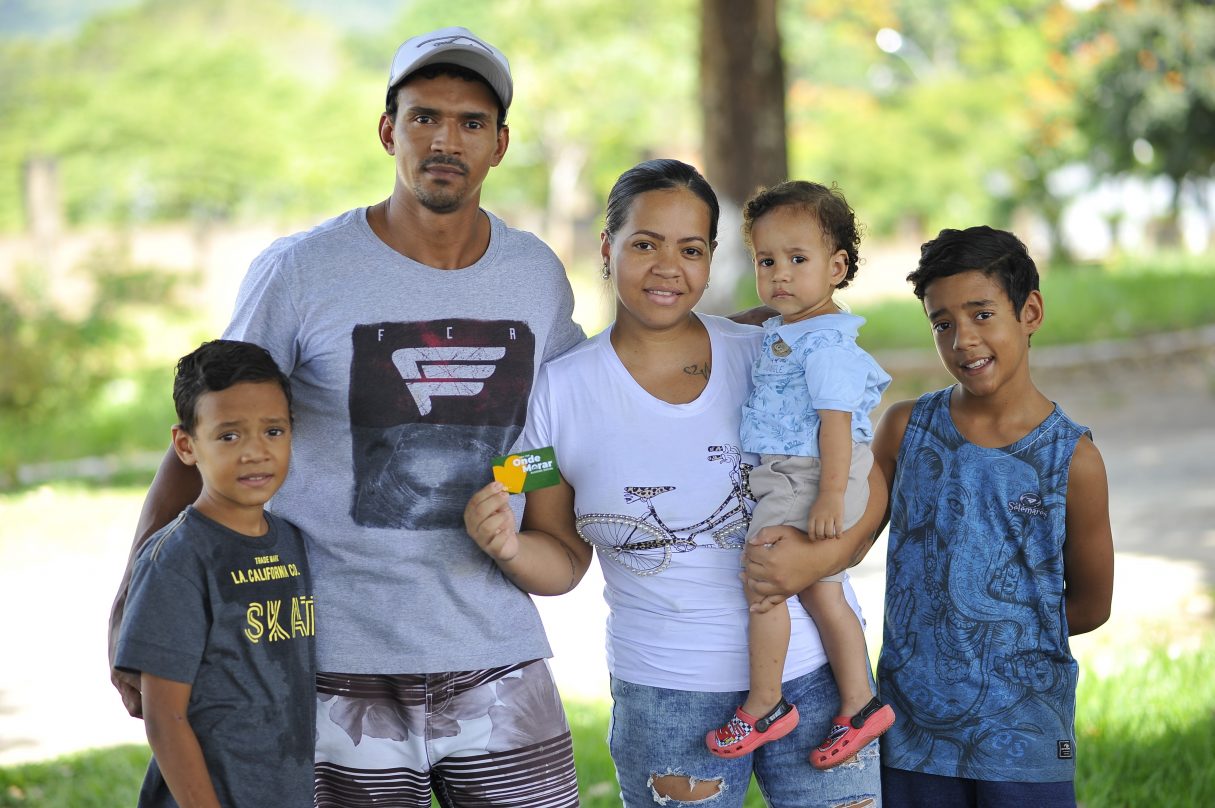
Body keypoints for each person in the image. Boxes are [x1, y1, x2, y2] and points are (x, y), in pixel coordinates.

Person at [108, 27, 585, 807]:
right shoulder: (303, 271)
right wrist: (136, 594)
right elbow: (208, 434)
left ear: (499, 145)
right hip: (329, 656)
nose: (445, 139)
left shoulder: (533, 274)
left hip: (495, 648)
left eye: (470, 123)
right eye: (424, 116)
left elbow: (557, 428)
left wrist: (532, 514)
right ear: (388, 130)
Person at [464, 159, 884, 807]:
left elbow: (866, 479)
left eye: (689, 249)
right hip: (668, 698)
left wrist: (821, 557)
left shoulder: (766, 355)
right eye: (643, 244)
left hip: (818, 678)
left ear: (711, 260)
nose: (667, 266)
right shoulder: (554, 395)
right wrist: (507, 545)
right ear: (606, 249)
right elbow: (560, 557)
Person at [870, 226, 1114, 806]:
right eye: (942, 323)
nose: (963, 339)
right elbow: (848, 543)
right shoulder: (906, 430)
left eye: (982, 314)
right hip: (909, 734)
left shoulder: (1072, 460)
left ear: (1030, 311)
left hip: (1025, 739)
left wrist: (996, 641)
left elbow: (1091, 605)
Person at [706, 181, 895, 768]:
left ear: (836, 267)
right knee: (822, 588)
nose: (780, 275)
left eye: (797, 260)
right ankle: (862, 704)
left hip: (810, 473)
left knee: (765, 578)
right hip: (800, 469)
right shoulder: (792, 329)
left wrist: (830, 497)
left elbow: (838, 426)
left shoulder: (826, 346)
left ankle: (765, 704)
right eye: (767, 261)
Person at [114, 339, 315, 808]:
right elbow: (165, 718)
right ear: (186, 445)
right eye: (229, 436)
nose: (255, 453)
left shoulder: (293, 541)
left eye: (273, 431)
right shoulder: (177, 559)